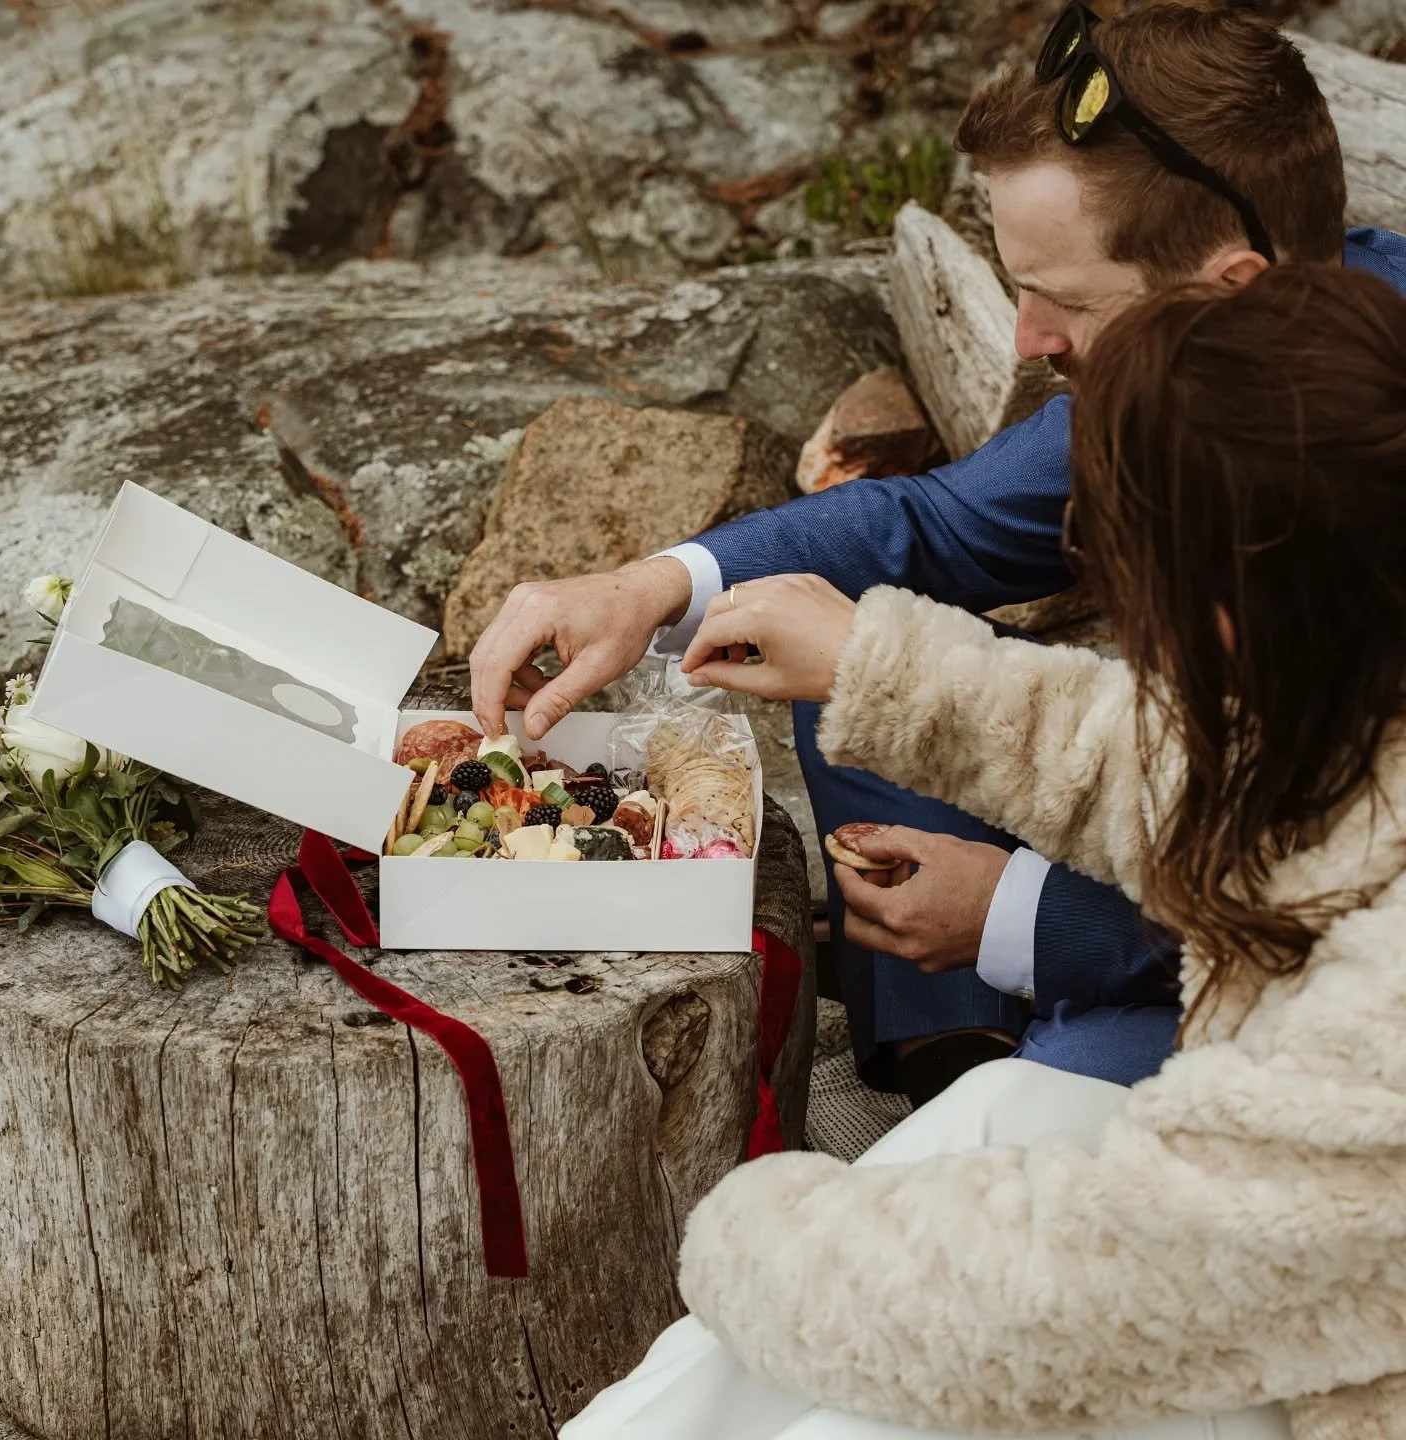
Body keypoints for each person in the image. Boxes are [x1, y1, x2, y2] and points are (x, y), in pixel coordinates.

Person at [467, 4, 1406, 1105]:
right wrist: (650, 586)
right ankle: (947, 1047)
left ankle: (1016, 1062)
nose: (1026, 340)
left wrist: (1028, 916)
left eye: (1063, 299)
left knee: (1058, 1103)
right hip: (1191, 834)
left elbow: (1357, 895)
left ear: (1231, 288)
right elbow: (936, 526)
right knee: (840, 630)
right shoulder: (1203, 361)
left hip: (1329, 1013)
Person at [560, 260, 1406, 1440]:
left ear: (1229, 616)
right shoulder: (1356, 691)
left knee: (882, 1400)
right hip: (1301, 1282)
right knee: (1008, 1099)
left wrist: (751, 1241)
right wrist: (875, 667)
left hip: (1337, 1379)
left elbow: (1105, 1291)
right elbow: (1161, 765)